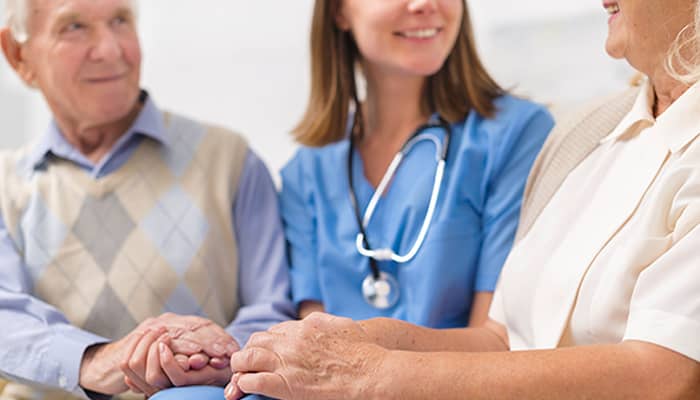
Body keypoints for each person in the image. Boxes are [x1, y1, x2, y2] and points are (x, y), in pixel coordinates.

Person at [224, 0, 700, 398]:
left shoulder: (518, 133)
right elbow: (503, 338)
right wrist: (323, 349)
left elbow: (665, 373)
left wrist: (369, 374)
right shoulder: (587, 129)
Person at [0, 0, 294, 399]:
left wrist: (212, 357)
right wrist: (98, 360)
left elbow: (273, 310)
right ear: (18, 55)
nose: (110, 49)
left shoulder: (230, 160)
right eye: (74, 27)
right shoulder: (5, 185)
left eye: (120, 20)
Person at [279, 0, 553, 329]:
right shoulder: (308, 170)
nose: (425, 4)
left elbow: (496, 343)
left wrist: (359, 363)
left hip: (466, 381)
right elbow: (312, 340)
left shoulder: (518, 135)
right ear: (339, 11)